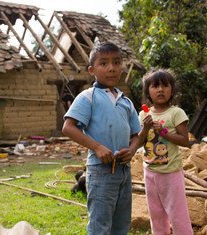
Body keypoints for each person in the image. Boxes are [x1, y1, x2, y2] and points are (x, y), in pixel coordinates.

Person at [62, 41, 141, 235]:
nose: (111, 68)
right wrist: (97, 147)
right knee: (100, 226)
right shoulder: (88, 97)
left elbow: (136, 135)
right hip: (100, 171)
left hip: (124, 171)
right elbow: (68, 127)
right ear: (92, 70)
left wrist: (131, 150)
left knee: (121, 224)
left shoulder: (126, 101)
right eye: (104, 63)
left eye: (116, 62)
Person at [138, 68, 193, 235]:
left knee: (178, 214)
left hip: (171, 173)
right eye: (155, 86)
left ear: (172, 90)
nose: (160, 90)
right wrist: (145, 128)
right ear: (148, 91)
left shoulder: (176, 113)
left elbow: (185, 141)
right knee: (156, 214)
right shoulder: (143, 115)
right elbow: (139, 141)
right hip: (150, 172)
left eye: (165, 86)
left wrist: (164, 133)